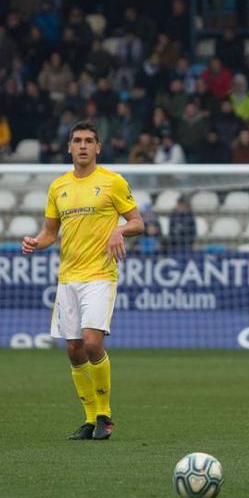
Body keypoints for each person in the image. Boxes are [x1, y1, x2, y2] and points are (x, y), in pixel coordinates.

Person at [22, 122, 144, 441]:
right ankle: (89, 419)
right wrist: (37, 241)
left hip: (100, 276)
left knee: (92, 343)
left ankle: (105, 415)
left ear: (98, 148)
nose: (83, 146)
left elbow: (138, 222)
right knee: (74, 350)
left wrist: (119, 230)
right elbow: (50, 232)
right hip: (68, 278)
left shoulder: (112, 182)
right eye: (77, 141)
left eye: (89, 141)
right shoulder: (58, 187)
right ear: (69, 147)